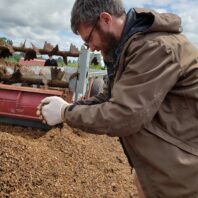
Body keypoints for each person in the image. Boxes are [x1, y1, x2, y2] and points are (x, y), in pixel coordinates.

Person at [37, 0, 198, 197]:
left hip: (185, 168)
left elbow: (124, 115)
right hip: (163, 163)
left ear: (105, 19)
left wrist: (65, 113)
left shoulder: (155, 48)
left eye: (89, 38)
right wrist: (70, 107)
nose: (92, 47)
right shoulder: (127, 48)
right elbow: (109, 98)